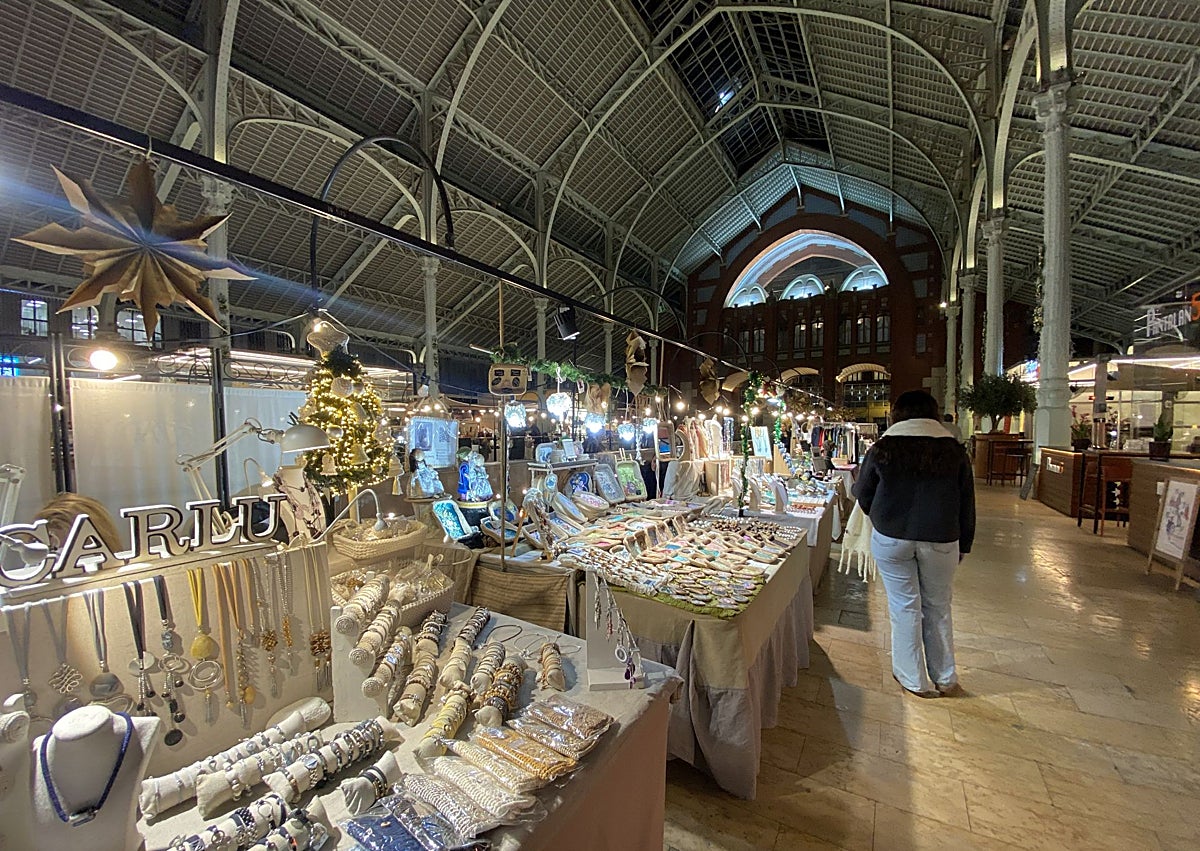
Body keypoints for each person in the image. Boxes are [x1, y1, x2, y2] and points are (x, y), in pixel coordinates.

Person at [853, 390, 975, 698]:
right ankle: (945, 677)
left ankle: (912, 677)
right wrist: (965, 543)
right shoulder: (953, 450)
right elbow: (966, 502)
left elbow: (862, 492)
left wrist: (882, 516)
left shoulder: (883, 448)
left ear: (897, 414)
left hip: (892, 538)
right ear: (933, 414)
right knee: (938, 607)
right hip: (941, 538)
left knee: (904, 606)